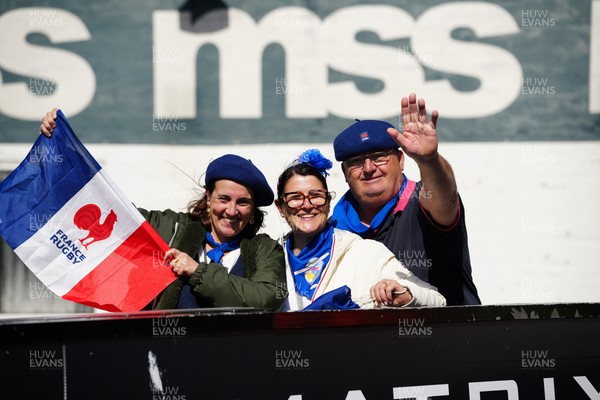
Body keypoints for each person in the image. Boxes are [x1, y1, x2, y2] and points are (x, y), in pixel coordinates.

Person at [40, 109, 287, 310]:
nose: (231, 211)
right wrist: (62, 155)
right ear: (209, 198)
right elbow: (115, 214)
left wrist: (197, 271)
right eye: (224, 199)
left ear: (253, 209)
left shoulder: (264, 250)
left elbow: (264, 299)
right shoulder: (172, 228)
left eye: (242, 202)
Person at [330, 93, 481, 305]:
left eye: (378, 157)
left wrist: (429, 160)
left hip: (451, 334)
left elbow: (445, 198)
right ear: (345, 173)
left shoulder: (422, 201)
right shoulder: (333, 230)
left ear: (401, 160)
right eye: (356, 161)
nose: (369, 168)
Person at [275, 149, 446, 311]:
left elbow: (436, 300)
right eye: (295, 198)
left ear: (328, 202)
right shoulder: (269, 259)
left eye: (316, 196)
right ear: (280, 207)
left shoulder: (365, 252)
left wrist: (405, 294)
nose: (307, 205)